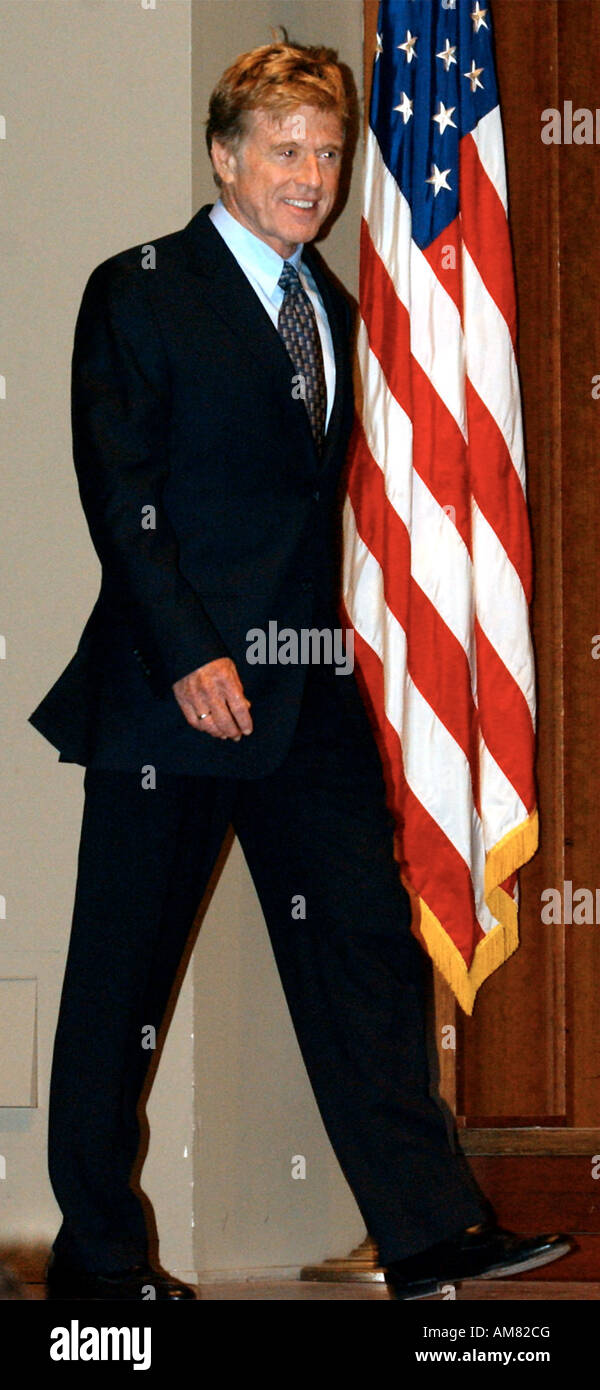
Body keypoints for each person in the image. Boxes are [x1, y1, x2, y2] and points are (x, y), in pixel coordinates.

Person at [30, 39, 571, 1302]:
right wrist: (190, 648)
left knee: (366, 956)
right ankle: (99, 1263)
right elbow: (122, 493)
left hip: (304, 692)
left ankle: (433, 1230)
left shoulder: (332, 306)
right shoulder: (141, 289)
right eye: (285, 148)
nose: (311, 174)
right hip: (173, 692)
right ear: (225, 158)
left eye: (327, 153)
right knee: (124, 980)